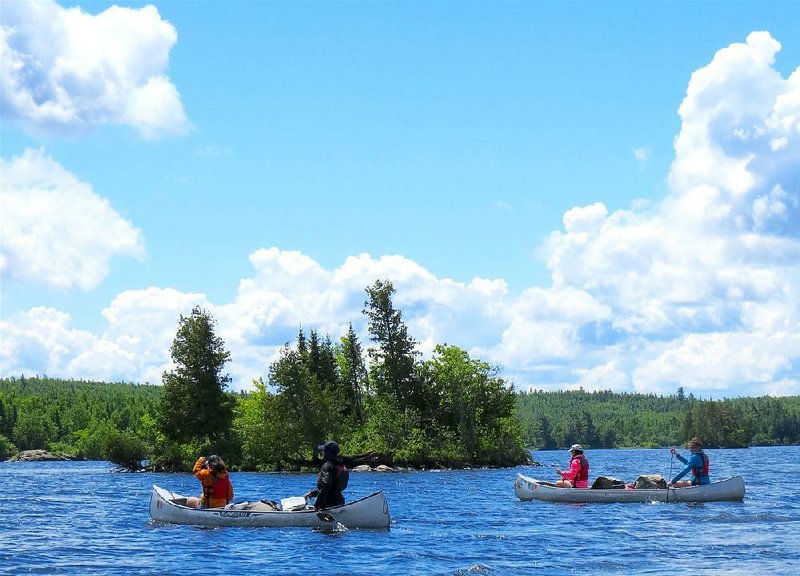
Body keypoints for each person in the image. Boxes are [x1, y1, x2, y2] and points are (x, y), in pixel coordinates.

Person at [304, 440, 348, 509]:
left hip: (327, 504)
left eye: (323, 451)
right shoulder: (340, 465)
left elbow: (326, 486)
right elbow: (332, 487)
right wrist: (312, 494)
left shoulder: (327, 466)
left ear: (327, 452)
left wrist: (316, 506)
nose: (322, 452)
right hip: (339, 502)